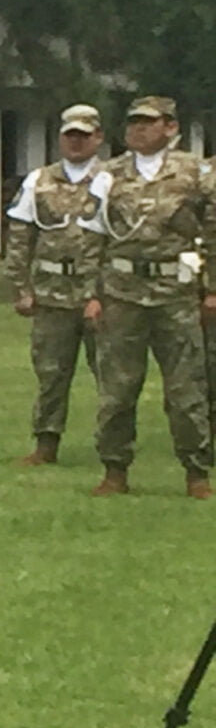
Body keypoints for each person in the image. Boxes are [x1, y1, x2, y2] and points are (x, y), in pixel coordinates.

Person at [82, 96, 215, 498]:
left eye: (148, 122)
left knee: (186, 387)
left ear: (171, 127)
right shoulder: (108, 174)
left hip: (176, 292)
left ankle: (196, 472)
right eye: (133, 122)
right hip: (122, 292)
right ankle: (115, 470)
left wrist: (210, 290)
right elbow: (93, 236)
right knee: (118, 386)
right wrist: (92, 293)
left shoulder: (196, 173)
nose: (138, 129)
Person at [1, 105, 107, 466]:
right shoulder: (38, 180)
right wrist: (21, 288)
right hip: (51, 293)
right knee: (50, 373)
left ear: (98, 138)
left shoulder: (113, 180)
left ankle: (113, 447)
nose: (76, 142)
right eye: (69, 135)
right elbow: (20, 237)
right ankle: (46, 445)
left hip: (101, 294)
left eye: (83, 135)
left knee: (111, 374)